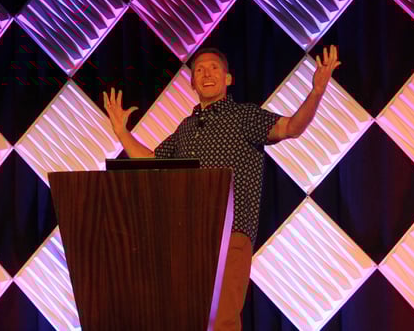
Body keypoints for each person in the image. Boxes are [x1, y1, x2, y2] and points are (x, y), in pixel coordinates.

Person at [103, 45, 341, 331]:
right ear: (192, 83)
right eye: (199, 70)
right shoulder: (186, 128)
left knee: (222, 320)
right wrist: (122, 133)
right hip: (187, 235)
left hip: (231, 232)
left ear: (228, 78)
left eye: (214, 68)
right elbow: (153, 162)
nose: (207, 74)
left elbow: (291, 127)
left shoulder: (244, 116)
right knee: (187, 319)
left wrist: (317, 91)